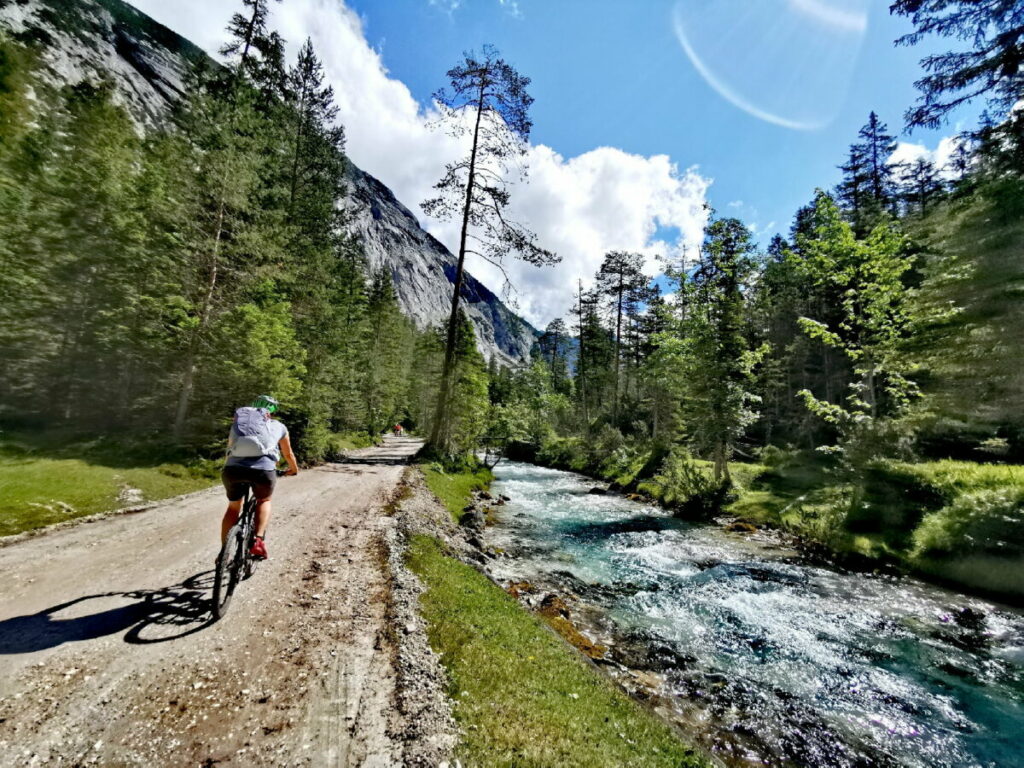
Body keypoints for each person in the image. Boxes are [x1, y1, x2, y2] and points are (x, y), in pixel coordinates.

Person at [220, 395, 298, 560]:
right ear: (272, 412)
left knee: (234, 507)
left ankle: (223, 554)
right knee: (264, 501)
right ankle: (258, 541)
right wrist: (293, 469)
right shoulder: (279, 427)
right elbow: (288, 453)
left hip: (232, 470)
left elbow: (229, 448)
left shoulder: (239, 424)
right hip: (263, 471)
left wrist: (227, 467)